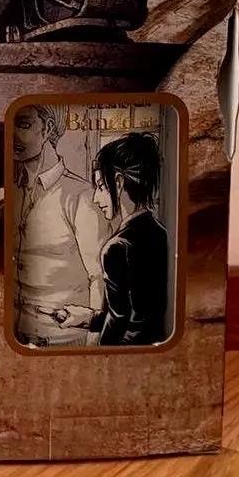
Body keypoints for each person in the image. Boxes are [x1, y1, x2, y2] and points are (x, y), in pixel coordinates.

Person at [57, 132, 170, 345]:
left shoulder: (116, 248)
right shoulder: (160, 232)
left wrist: (103, 355)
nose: (95, 198)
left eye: (100, 186)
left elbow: (122, 324)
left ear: (118, 183)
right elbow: (137, 315)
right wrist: (88, 318)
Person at [10, 104, 106, 347]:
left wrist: (93, 345)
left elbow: (99, 277)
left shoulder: (81, 196)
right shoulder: (13, 192)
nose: (12, 135)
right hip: (17, 341)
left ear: (48, 128)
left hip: (66, 342)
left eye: (23, 125)